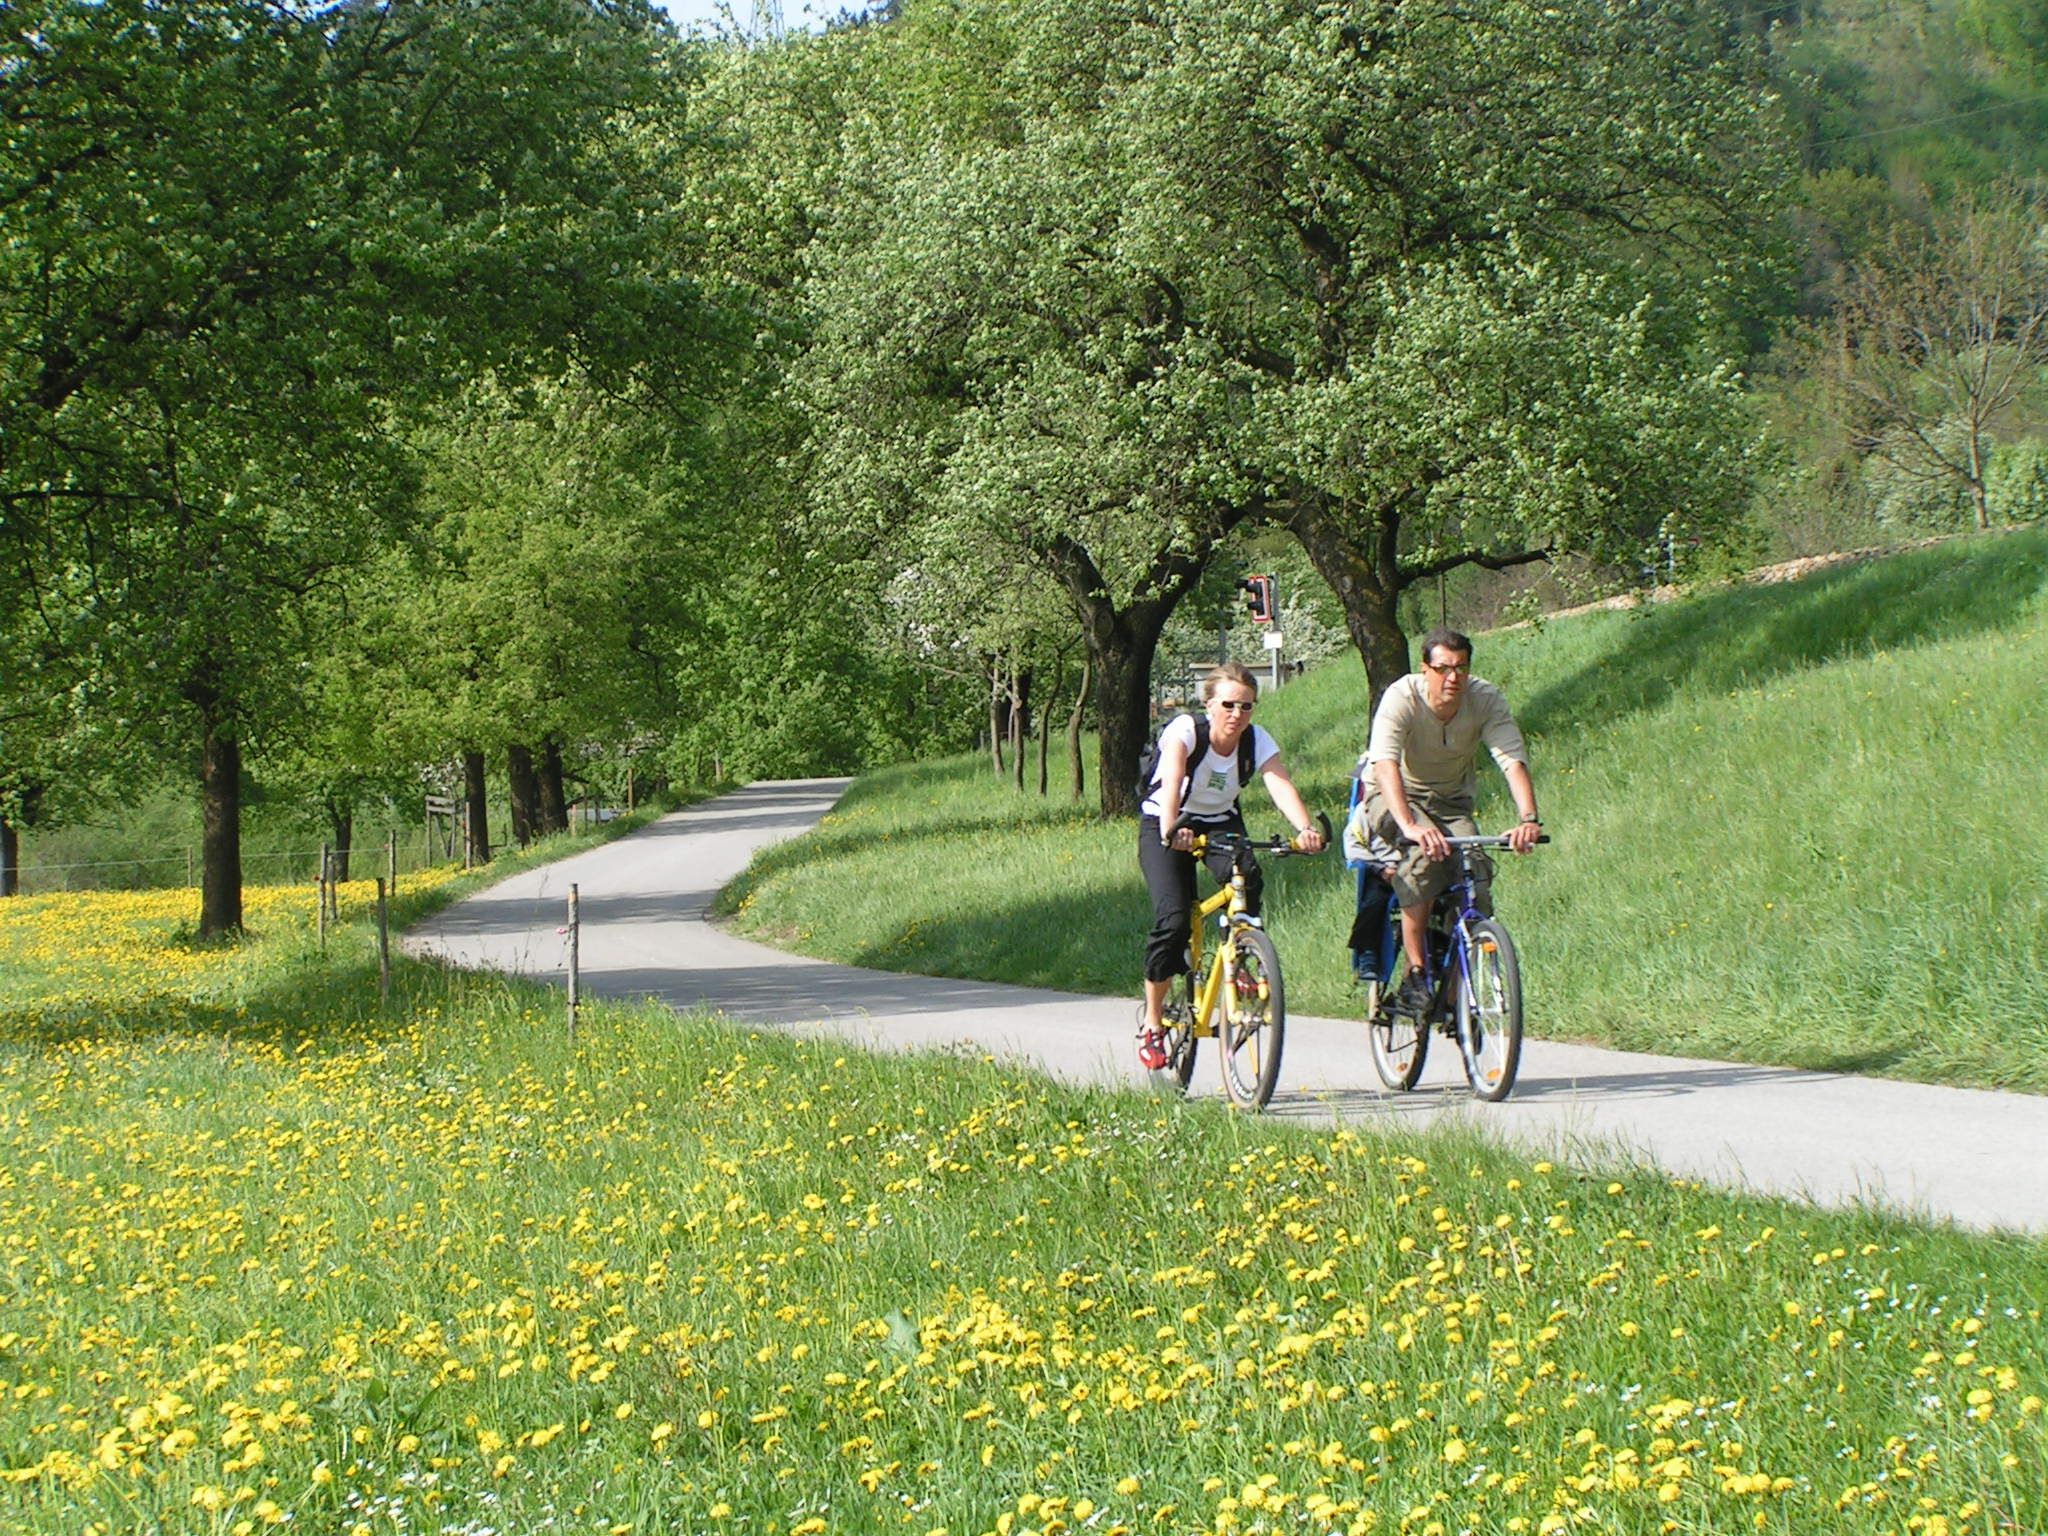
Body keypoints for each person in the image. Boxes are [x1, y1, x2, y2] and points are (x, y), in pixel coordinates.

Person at [1136, 662, 1324, 1069]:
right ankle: (1152, 1022)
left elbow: (1279, 782)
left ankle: (1240, 955)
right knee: (1172, 921)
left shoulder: (1255, 740)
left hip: (1220, 820)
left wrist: (1305, 828)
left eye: (1247, 707)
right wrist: (1171, 828)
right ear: (1209, 705)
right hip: (1167, 820)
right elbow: (1171, 781)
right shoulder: (1186, 732)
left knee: (1248, 879)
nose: (1238, 715)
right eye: (1229, 705)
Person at [1349, 627, 1541, 1017]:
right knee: (1421, 859)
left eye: (1461, 668)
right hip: (1392, 795)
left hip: (1451, 802)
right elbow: (1384, 763)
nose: (1453, 678)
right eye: (1443, 669)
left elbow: (1511, 759)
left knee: (1475, 873)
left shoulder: (1485, 699)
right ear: (1426, 669)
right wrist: (1409, 825)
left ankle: (1455, 992)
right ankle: (1416, 974)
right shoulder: (1402, 696)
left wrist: (1528, 819)